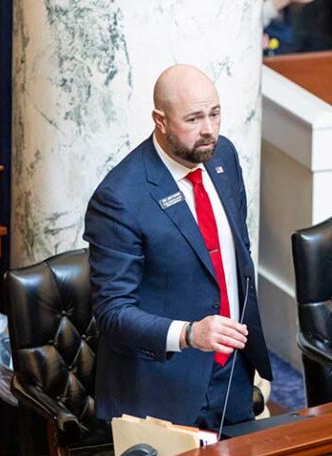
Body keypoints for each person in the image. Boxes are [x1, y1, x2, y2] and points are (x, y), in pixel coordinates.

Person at [83, 64, 273, 430]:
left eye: (215, 114)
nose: (209, 129)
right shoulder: (120, 197)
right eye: (194, 118)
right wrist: (188, 334)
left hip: (232, 370)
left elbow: (237, 252)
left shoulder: (223, 157)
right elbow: (112, 312)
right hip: (164, 388)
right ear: (161, 120)